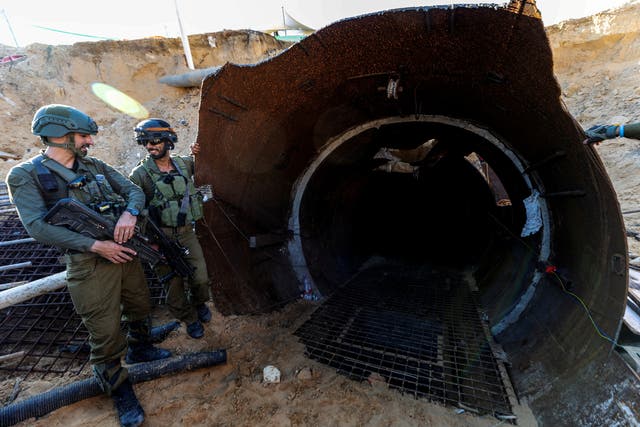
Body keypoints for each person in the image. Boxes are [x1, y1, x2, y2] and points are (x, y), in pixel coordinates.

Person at [5, 104, 172, 427]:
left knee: (139, 304)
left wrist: (129, 213)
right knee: (105, 333)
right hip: (88, 265)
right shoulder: (25, 175)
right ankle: (119, 388)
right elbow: (37, 227)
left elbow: (133, 191)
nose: (89, 142)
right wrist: (96, 245)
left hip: (125, 253)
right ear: (59, 135)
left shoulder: (93, 165)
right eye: (83, 136)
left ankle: (141, 348)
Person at [129, 118, 212, 339]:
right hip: (160, 239)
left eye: (155, 140)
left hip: (186, 233)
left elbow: (206, 163)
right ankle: (190, 318)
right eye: (144, 142)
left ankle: (199, 303)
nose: (149, 146)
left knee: (201, 279)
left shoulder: (184, 164)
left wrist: (198, 152)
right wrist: (150, 244)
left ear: (168, 140)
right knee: (174, 289)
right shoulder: (140, 175)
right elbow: (132, 212)